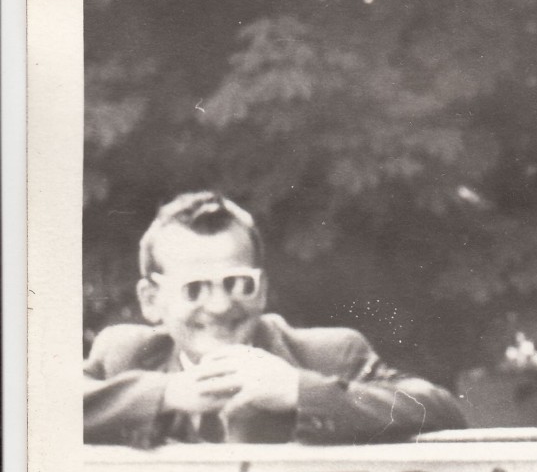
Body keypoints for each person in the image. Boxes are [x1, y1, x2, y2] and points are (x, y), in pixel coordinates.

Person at [85, 191, 464, 445]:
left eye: (238, 284)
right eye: (194, 289)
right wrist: (167, 395)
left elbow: (441, 410)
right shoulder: (124, 355)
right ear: (151, 300)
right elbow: (50, 407)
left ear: (263, 289)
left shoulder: (329, 355)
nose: (220, 306)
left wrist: (300, 391)